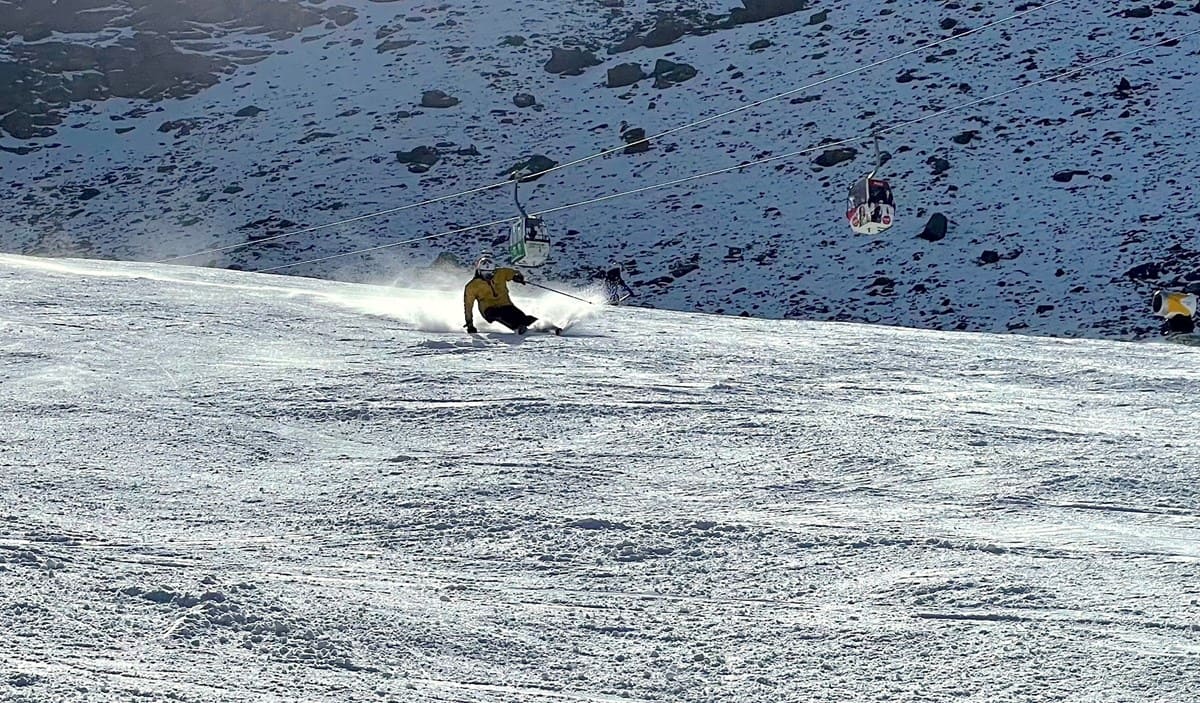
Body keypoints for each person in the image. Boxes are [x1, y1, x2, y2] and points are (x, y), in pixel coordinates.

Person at [464, 254, 538, 334]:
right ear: (479, 271)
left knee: (520, 316)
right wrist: (470, 324)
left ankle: (541, 325)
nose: (488, 276)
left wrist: (517, 277)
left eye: (490, 273)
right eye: (485, 274)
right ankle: (517, 327)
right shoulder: (472, 286)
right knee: (500, 315)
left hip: (506, 305)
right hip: (489, 309)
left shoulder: (500, 273)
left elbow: (513, 272)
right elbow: (468, 306)